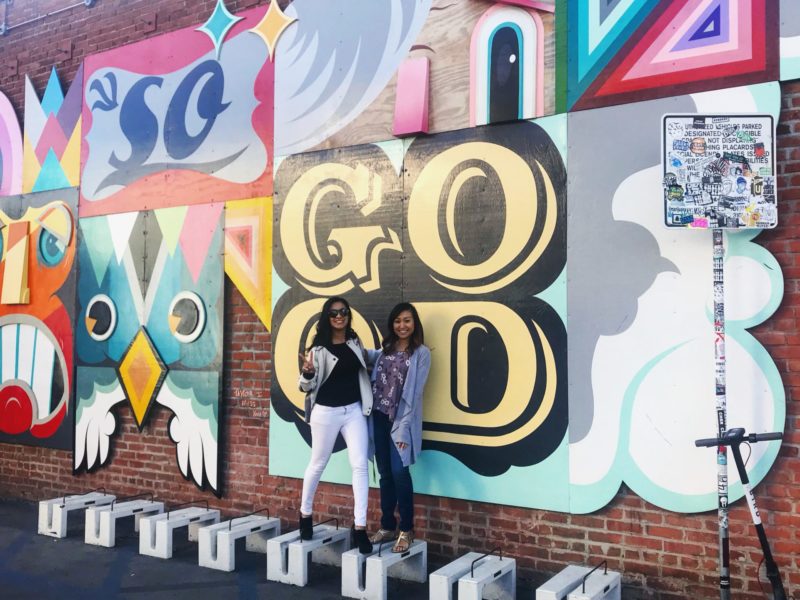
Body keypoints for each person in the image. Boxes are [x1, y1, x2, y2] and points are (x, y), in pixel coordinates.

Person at [298, 296, 374, 553]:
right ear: (327, 317)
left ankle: (360, 527)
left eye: (343, 312)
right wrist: (307, 373)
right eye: (334, 313)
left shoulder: (354, 342)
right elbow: (305, 386)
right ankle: (305, 514)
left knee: (360, 465)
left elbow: (367, 361)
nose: (339, 316)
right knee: (318, 463)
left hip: (354, 411)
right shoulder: (318, 350)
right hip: (326, 413)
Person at [368, 302, 431, 553]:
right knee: (385, 473)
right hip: (379, 416)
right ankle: (387, 526)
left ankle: (407, 529)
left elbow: (415, 394)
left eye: (407, 320)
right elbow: (363, 356)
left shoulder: (421, 353)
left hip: (400, 421)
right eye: (397, 321)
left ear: (414, 323)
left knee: (399, 472)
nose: (402, 325)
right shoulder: (385, 350)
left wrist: (404, 427)